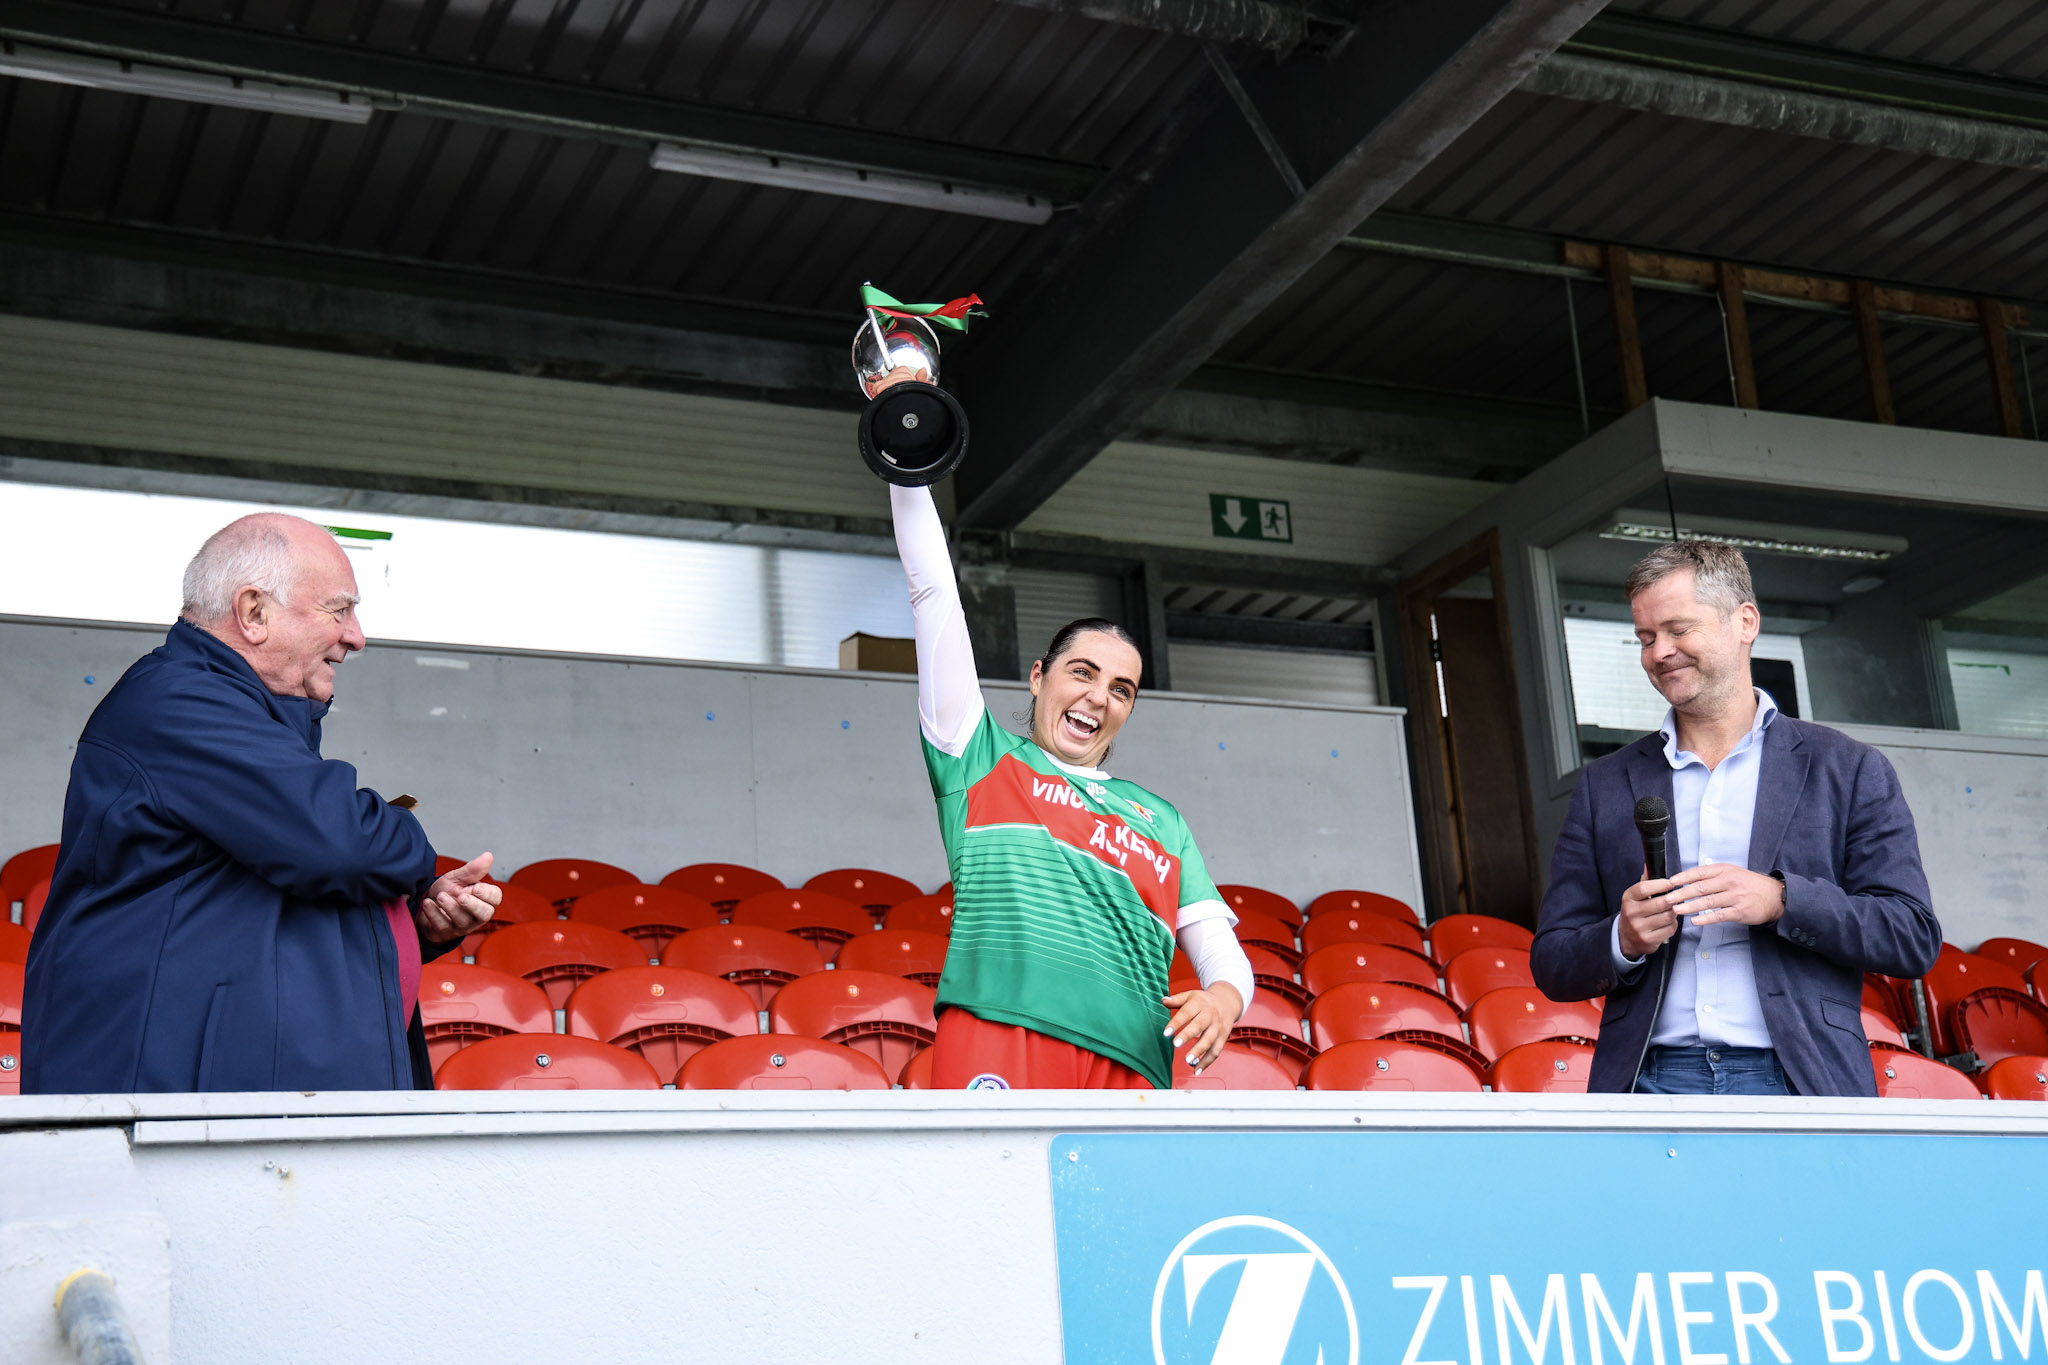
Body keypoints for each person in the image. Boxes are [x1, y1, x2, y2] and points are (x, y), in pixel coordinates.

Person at [22, 513, 500, 1093]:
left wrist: (417, 925)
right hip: (176, 1106)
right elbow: (345, 844)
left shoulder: (235, 713)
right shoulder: (181, 700)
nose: (356, 637)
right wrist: (403, 830)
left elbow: (274, 915)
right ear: (253, 612)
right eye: (339, 610)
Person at [887, 444, 1253, 1089]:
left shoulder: (1163, 821)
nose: (1098, 697)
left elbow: (1222, 954)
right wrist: (906, 461)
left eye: (1121, 689)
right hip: (1002, 1028)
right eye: (1082, 673)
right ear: (1038, 677)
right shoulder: (979, 758)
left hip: (1135, 1059)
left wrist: (1224, 1000)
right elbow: (933, 594)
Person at [1530, 541, 1940, 1096]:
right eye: (1645, 639)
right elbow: (1553, 962)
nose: (1659, 652)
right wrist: (1622, 938)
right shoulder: (1604, 784)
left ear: (1745, 622)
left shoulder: (1849, 768)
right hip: (1649, 1082)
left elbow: (1911, 936)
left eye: (1678, 630)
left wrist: (1782, 900)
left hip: (1801, 1081)